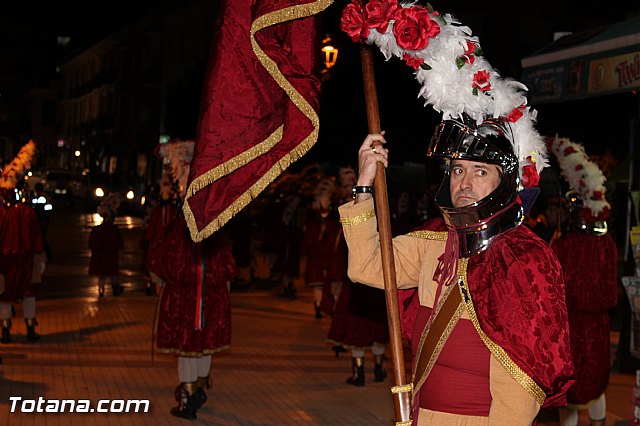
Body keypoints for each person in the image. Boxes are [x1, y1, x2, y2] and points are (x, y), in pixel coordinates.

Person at [338, 116, 575, 424]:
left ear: (505, 181)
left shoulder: (524, 259)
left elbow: (520, 384)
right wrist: (364, 184)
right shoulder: (433, 239)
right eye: (458, 169)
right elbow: (367, 266)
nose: (464, 183)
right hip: (422, 415)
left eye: (480, 171)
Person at [148, 139, 236, 420]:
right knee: (203, 343)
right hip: (210, 293)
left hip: (188, 295)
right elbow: (226, 261)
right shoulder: (215, 218)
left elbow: (172, 260)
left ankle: (189, 398)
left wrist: (156, 267)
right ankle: (196, 389)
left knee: (188, 346)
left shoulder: (186, 219)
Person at [548, 137, 618, 426]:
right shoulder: (608, 243)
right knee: (594, 384)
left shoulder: (568, 245)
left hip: (573, 327)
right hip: (598, 328)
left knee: (573, 387)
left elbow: (558, 288)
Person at [0, 180, 45, 343]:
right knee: (29, 294)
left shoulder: (1, 213)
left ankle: (5, 330)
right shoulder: (29, 213)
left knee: (5, 296)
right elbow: (37, 239)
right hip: (27, 260)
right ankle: (30, 329)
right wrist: (41, 259)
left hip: (4, 262)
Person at [88, 194, 124, 298]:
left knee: (102, 275)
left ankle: (102, 289)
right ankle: (114, 288)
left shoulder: (98, 230)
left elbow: (92, 243)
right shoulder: (113, 230)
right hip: (110, 256)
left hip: (101, 256)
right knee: (112, 274)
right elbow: (118, 243)